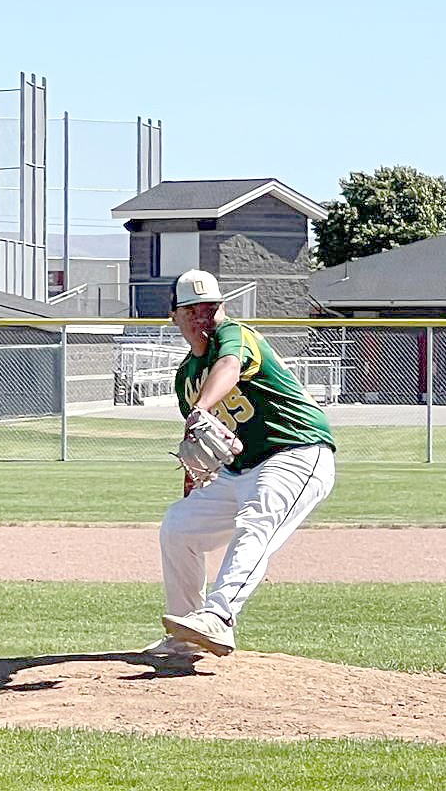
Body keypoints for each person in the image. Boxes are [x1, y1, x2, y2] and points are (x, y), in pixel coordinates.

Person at [144, 269, 336, 661]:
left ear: (222, 309)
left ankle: (219, 615)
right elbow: (198, 440)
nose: (203, 317)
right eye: (192, 310)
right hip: (238, 470)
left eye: (210, 308)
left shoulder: (235, 335)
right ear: (174, 316)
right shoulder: (186, 377)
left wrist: (200, 409)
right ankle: (185, 633)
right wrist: (191, 482)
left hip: (296, 451)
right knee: (179, 527)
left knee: (257, 519)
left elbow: (229, 367)